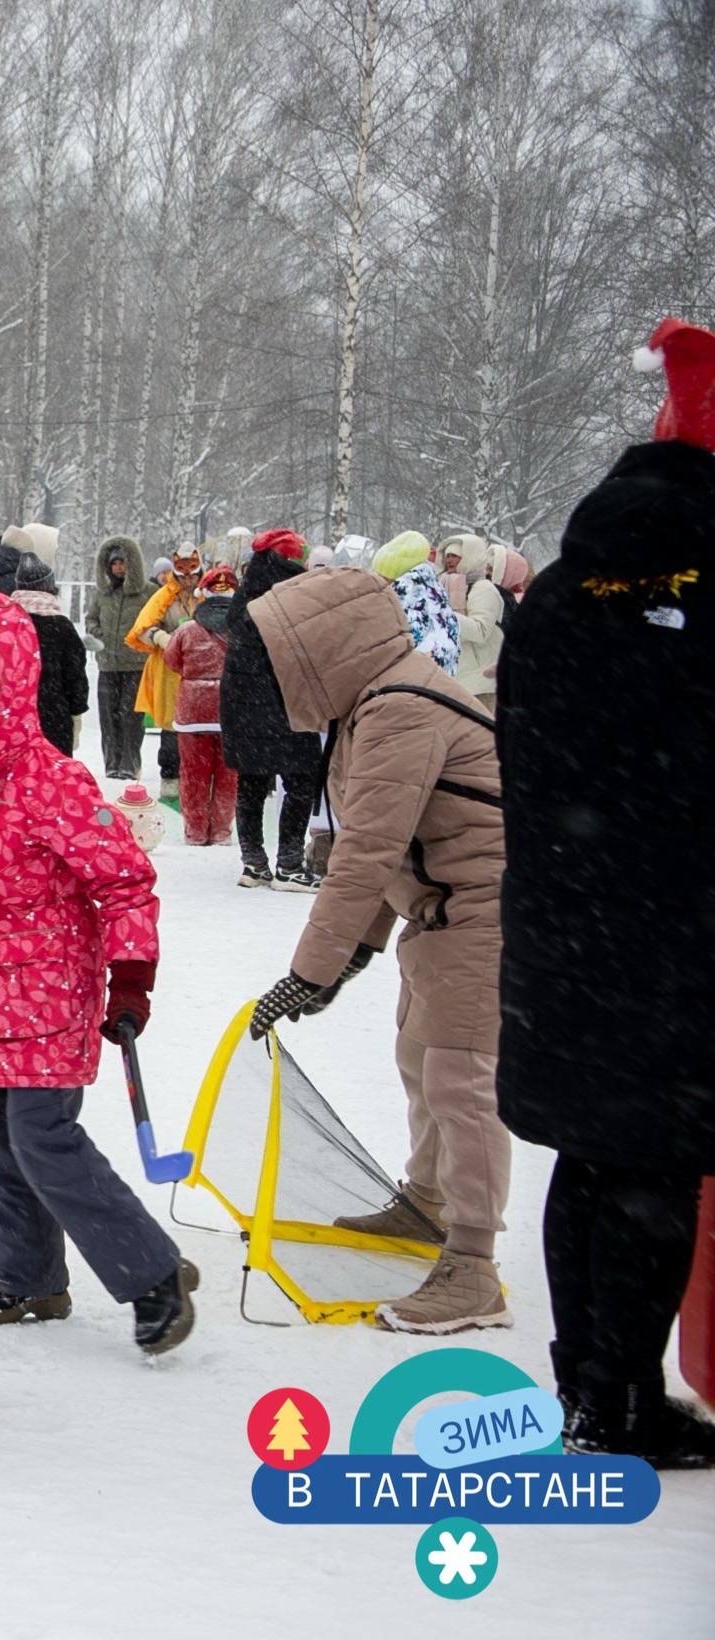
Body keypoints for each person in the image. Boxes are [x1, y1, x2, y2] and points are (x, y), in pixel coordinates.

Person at [497, 318, 715, 1467]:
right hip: (672, 941)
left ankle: (584, 1380)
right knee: (649, 1171)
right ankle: (621, 1402)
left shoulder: (556, 595)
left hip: (559, 929)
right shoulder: (698, 602)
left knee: (586, 1161)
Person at [0, 585, 196, 1355]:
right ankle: (28, 1278)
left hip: (48, 994)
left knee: (44, 1140)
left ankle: (154, 1275)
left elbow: (124, 883)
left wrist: (131, 975)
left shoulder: (51, 782)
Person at [247, 567, 512, 1334]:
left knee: (461, 1081)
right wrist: (356, 954)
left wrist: (311, 971)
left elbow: (367, 851)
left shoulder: (400, 707)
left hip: (485, 911)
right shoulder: (373, 703)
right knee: (421, 1062)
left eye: (283, 655)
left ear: (321, 649)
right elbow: (382, 849)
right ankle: (427, 1205)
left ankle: (473, 1268)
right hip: (442, 912)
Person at [223, 528, 324, 891]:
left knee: (251, 782)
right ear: (291, 559)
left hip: (243, 703)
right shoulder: (293, 593)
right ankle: (290, 865)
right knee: (301, 779)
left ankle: (253, 865)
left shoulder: (247, 590)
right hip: (285, 702)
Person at [160, 565, 239, 846]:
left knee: (194, 774)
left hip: (193, 713)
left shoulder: (187, 630)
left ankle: (195, 830)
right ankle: (221, 831)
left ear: (202, 595)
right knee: (227, 775)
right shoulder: (242, 629)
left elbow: (171, 661)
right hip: (230, 711)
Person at [127, 546, 201, 797]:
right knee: (171, 730)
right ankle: (170, 783)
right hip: (170, 671)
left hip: (200, 670)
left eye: (193, 574)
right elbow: (142, 628)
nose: (188, 579)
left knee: (199, 730)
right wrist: (161, 637)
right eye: (183, 574)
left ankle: (196, 786)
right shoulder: (164, 596)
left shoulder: (206, 595)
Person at [10, 549, 89, 756]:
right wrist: (76, 710)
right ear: (49, 586)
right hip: (54, 716)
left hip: (13, 717)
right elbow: (75, 675)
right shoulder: (61, 626)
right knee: (53, 771)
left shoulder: (7, 624)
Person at [87, 536, 149, 780]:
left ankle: (130, 765)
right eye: (114, 563)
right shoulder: (103, 594)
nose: (118, 567)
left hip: (135, 665)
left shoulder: (148, 592)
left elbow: (157, 621)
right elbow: (91, 619)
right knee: (108, 718)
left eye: (122, 562)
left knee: (131, 718)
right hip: (107, 665)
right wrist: (98, 634)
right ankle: (112, 764)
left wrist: (143, 638)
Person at [437, 534, 509, 710]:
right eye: (447, 555)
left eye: (455, 555)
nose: (449, 560)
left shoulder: (483, 588)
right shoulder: (445, 585)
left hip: (480, 683)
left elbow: (481, 631)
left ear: (470, 556)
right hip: (457, 682)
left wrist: (446, 615)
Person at [373, 531, 461, 672]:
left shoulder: (405, 593)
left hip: (415, 677)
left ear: (392, 572)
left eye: (381, 575)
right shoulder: (432, 587)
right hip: (442, 676)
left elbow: (390, 643)